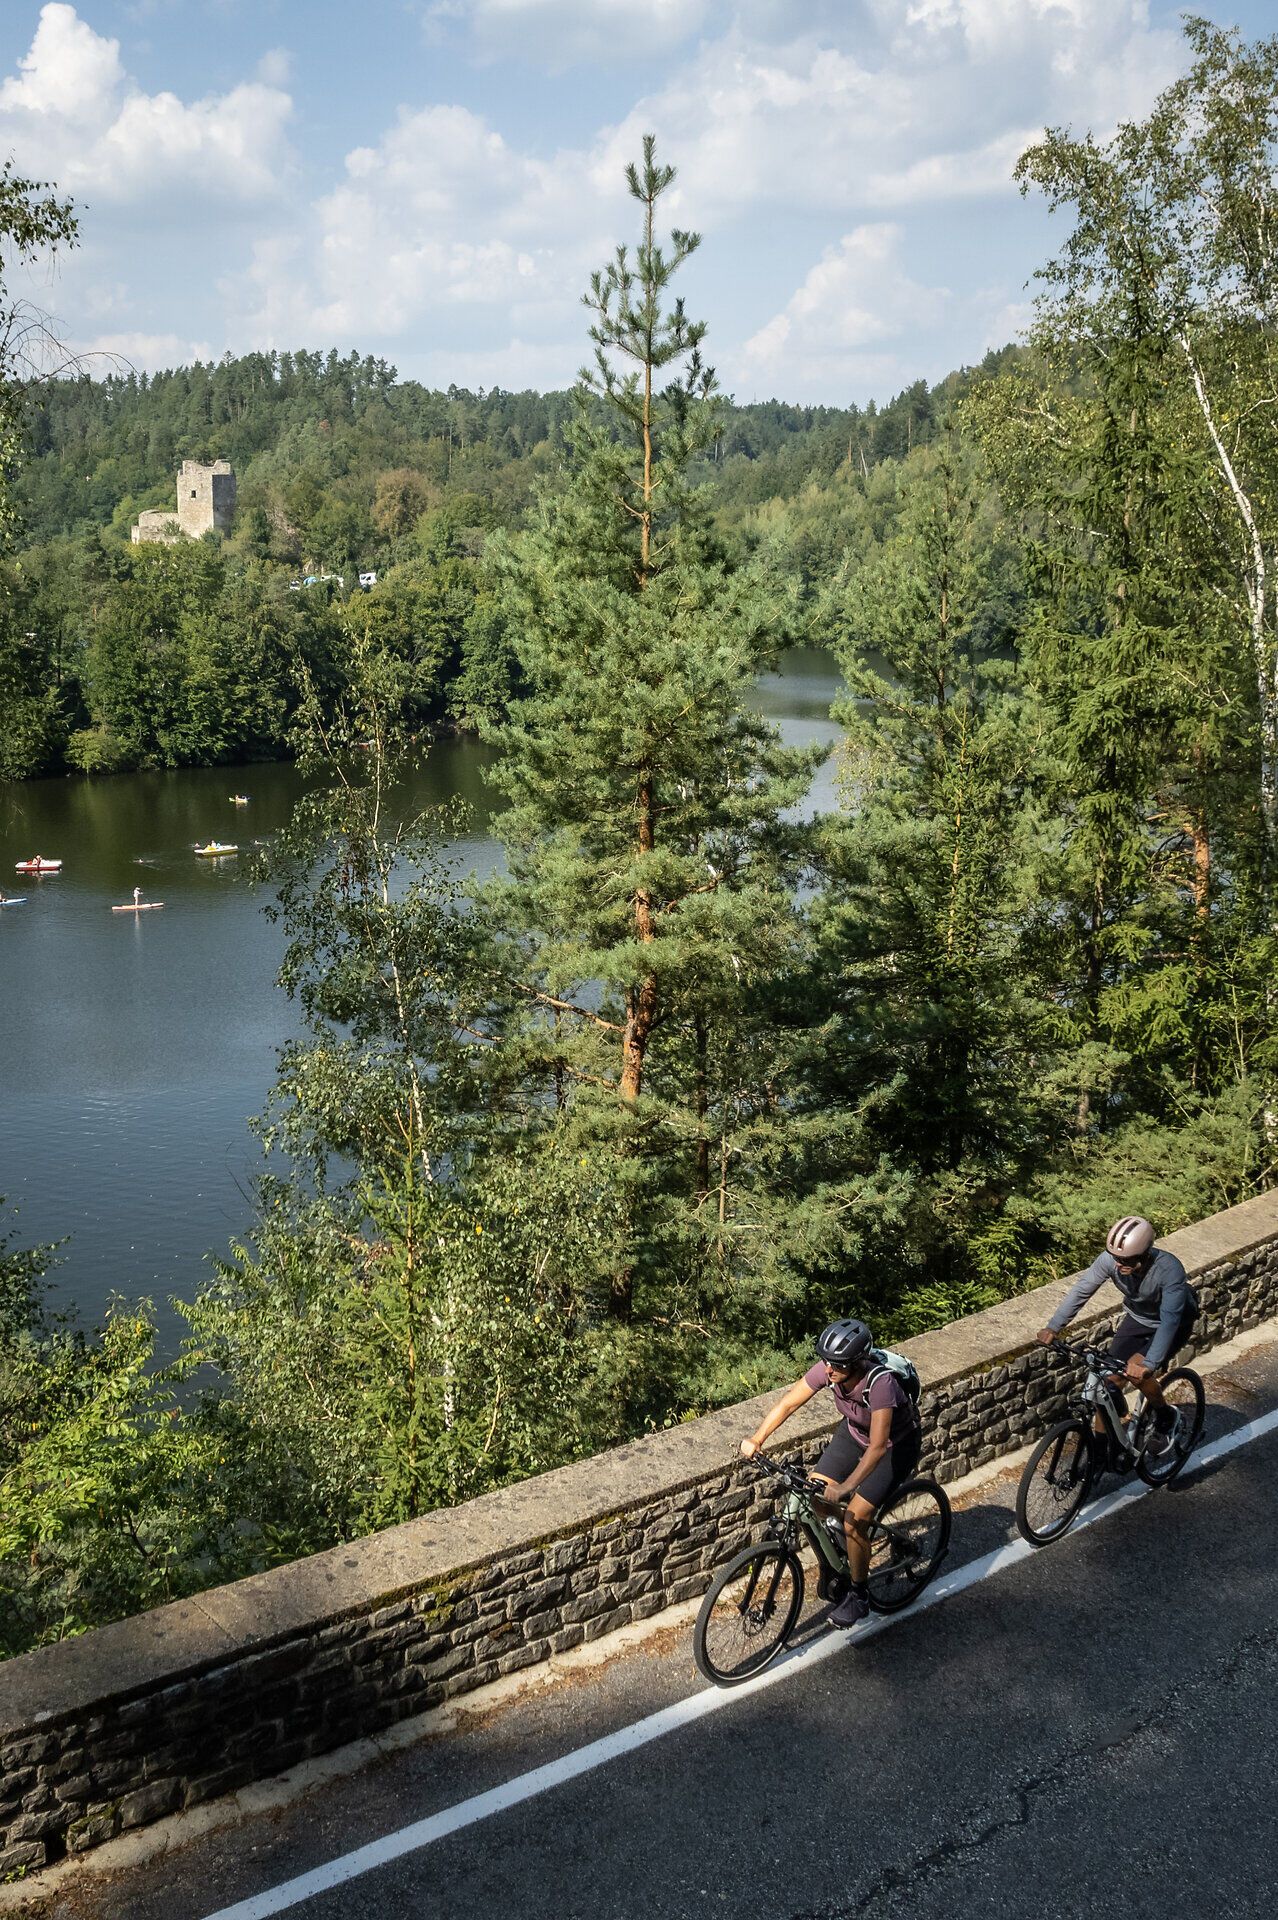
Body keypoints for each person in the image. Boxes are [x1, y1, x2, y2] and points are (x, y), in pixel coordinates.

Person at [740, 1318, 922, 1629]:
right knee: (813, 1493)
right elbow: (788, 1404)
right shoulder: (830, 1370)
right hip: (853, 1433)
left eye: (837, 1364)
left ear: (856, 1362)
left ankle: (859, 1594)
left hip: (896, 1446)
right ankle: (844, 1545)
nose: (828, 1370)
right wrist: (758, 1438)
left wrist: (848, 1487)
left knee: (855, 1518)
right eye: (826, 1361)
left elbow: (878, 1448)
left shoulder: (881, 1385)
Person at [1037, 1215, 1197, 1454]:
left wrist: (1149, 1364)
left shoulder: (1169, 1269)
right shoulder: (1109, 1261)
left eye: (1127, 1260)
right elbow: (1082, 1291)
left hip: (1173, 1322)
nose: (1119, 1265)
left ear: (1144, 1253)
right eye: (1116, 1259)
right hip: (1138, 1318)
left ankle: (1165, 1416)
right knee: (1106, 1381)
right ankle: (1101, 1451)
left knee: (1136, 1373)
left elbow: (1170, 1320)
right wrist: (1053, 1327)